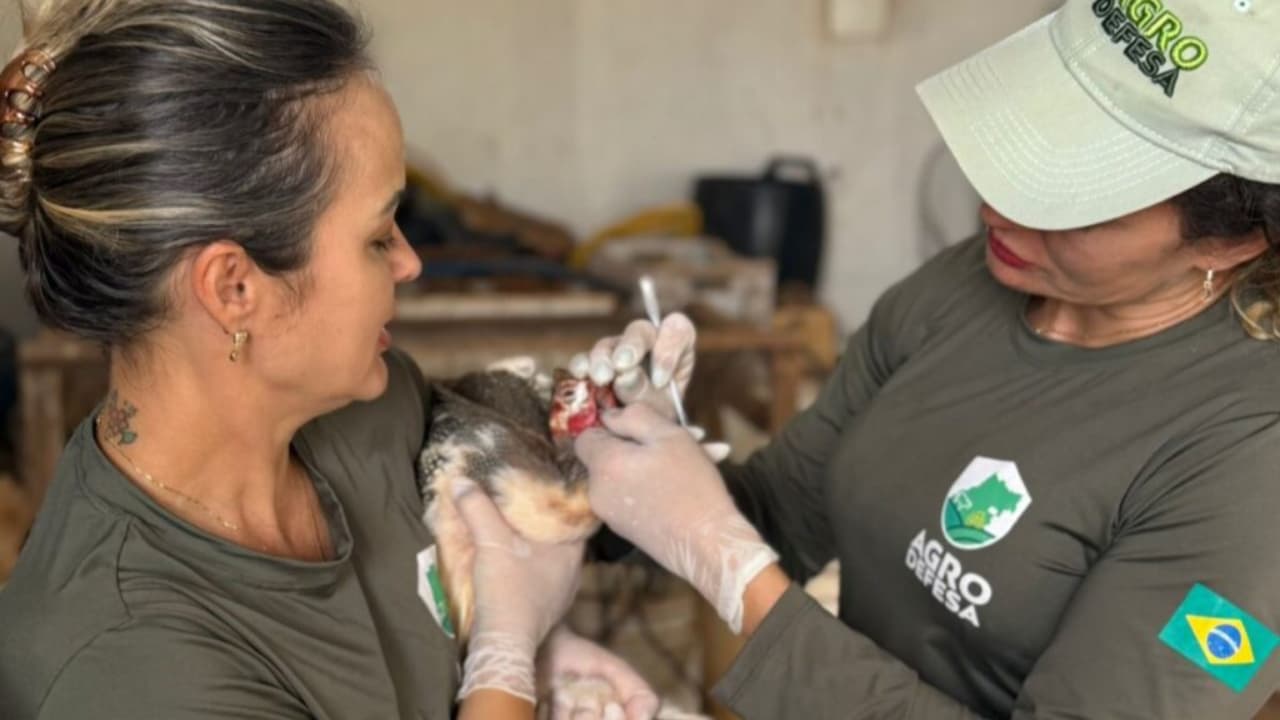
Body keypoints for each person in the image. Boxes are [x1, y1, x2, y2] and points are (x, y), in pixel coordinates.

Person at [570, 0, 1280, 717]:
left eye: (1078, 200)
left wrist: (728, 567)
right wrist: (619, 463)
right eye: (1026, 139)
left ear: (1231, 241)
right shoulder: (968, 286)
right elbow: (783, 511)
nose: (998, 206)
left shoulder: (1250, 457)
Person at [0, 1, 657, 719]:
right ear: (235, 288)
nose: (410, 262)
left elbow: (547, 492)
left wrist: (615, 436)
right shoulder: (127, 662)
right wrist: (507, 659)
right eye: (378, 238)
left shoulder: (371, 418)